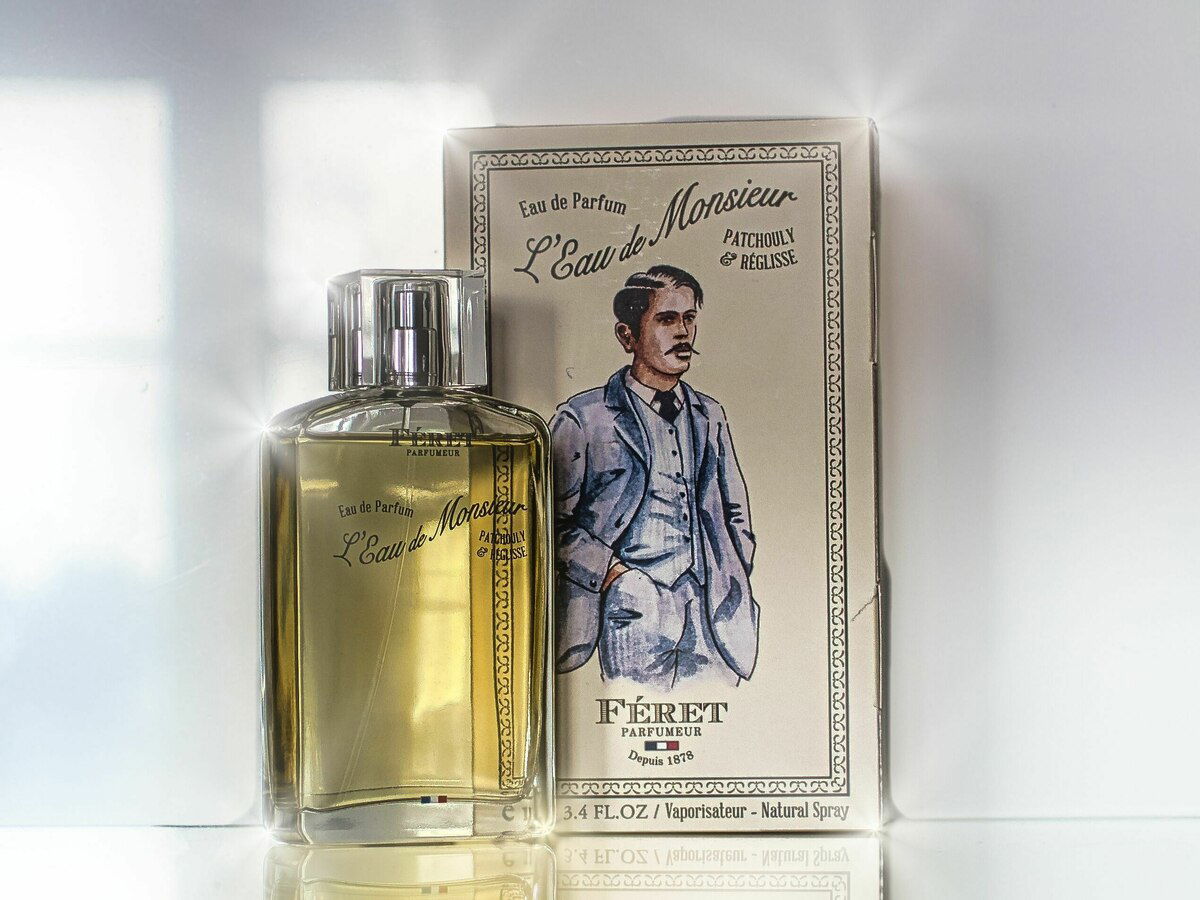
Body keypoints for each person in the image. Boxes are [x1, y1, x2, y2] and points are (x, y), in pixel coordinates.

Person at [551, 264, 760, 689]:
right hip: (629, 607)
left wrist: (730, 567)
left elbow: (735, 511)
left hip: (712, 611)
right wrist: (613, 574)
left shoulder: (710, 415)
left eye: (689, 318)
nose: (683, 332)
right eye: (666, 319)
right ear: (627, 336)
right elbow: (545, 523)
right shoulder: (583, 417)